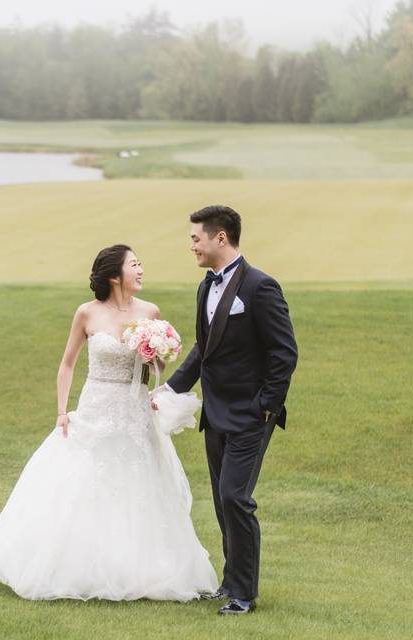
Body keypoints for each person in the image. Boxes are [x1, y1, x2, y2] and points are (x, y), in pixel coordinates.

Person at [0, 244, 217, 601]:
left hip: (135, 407)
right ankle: (78, 565)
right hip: (97, 405)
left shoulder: (150, 311)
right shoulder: (87, 313)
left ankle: (142, 568)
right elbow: (68, 363)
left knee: (138, 480)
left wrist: (155, 354)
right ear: (114, 275)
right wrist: (62, 410)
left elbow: (156, 369)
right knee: (89, 479)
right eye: (134, 264)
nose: (141, 269)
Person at [160, 205, 298, 615]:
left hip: (251, 416)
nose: (192, 246)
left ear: (220, 238)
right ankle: (230, 581)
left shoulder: (261, 287)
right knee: (223, 502)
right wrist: (170, 389)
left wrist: (266, 406)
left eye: (195, 238)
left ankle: (244, 594)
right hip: (215, 414)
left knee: (235, 498)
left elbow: (284, 353)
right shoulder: (206, 287)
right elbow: (206, 347)